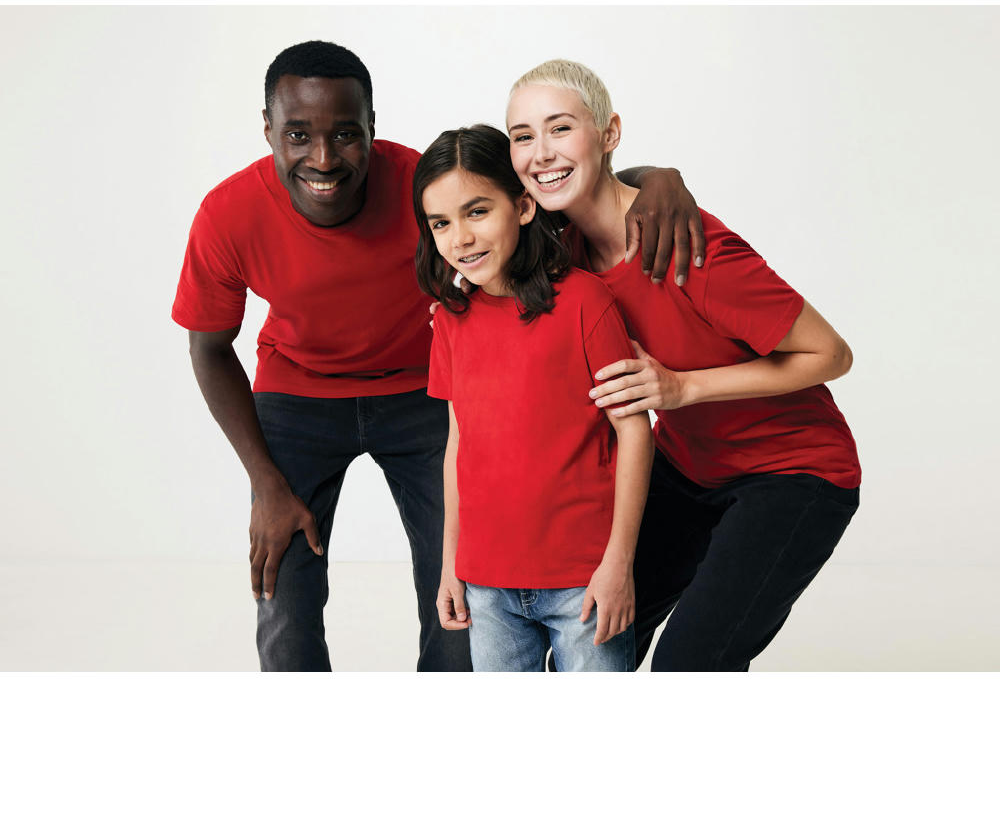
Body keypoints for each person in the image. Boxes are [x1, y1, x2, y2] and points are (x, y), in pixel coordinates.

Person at [171, 40, 699, 672]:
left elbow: (540, 185)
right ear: (268, 131)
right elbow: (209, 347)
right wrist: (264, 482)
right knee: (283, 592)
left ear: (372, 127)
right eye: (297, 135)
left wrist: (657, 178)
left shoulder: (423, 187)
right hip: (299, 394)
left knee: (461, 603)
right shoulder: (228, 213)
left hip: (420, 388)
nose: (323, 158)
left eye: (345, 134)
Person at [506, 59, 862, 671]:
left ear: (609, 133)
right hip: (688, 467)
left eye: (560, 128)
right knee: (589, 639)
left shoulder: (688, 247)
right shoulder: (563, 250)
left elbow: (831, 354)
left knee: (690, 666)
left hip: (794, 471)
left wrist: (681, 388)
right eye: (522, 136)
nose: (541, 153)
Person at [415, 125, 653, 671]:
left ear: (524, 207)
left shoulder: (586, 301)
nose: (460, 238)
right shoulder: (449, 320)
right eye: (441, 223)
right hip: (486, 584)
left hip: (583, 580)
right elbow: (458, 445)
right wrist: (451, 563)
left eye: (477, 212)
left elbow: (635, 432)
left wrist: (619, 563)